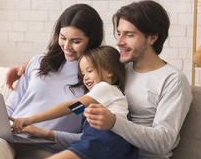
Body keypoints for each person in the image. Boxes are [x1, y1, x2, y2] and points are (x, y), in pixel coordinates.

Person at [6, 0, 193, 159]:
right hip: (99, 142)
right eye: (119, 33)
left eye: (129, 35)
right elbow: (78, 104)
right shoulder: (117, 69)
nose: (119, 42)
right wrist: (29, 66)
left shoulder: (173, 80)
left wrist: (114, 123)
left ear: (152, 38)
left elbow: (164, 143)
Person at [0, 3, 105, 159]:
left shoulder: (94, 79)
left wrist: (46, 134)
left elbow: (87, 139)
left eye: (75, 41)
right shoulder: (38, 63)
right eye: (63, 38)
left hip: (47, 150)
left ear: (92, 40)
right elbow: (12, 107)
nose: (67, 47)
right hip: (8, 141)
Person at [10, 46, 138, 159]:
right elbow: (76, 109)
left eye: (90, 71)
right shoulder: (98, 98)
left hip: (106, 139)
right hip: (93, 140)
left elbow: (70, 108)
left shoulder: (105, 88)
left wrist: (30, 119)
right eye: (83, 74)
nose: (85, 77)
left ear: (109, 71)